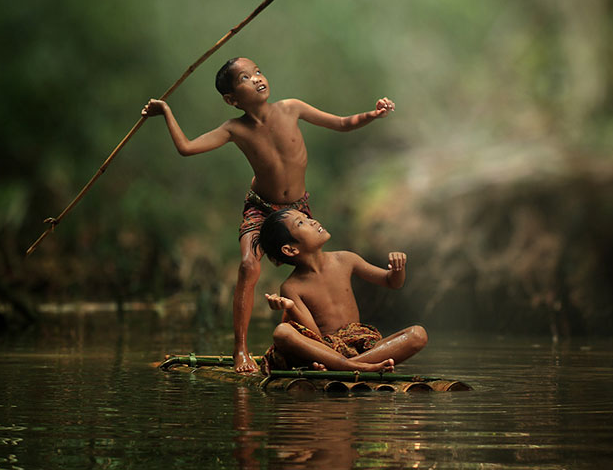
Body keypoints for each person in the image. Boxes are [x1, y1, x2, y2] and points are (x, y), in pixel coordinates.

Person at [142, 57, 396, 372]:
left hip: (297, 210)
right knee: (249, 266)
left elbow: (343, 123)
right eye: (245, 78)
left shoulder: (291, 108)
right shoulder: (234, 128)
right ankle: (241, 351)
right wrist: (165, 111)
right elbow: (187, 148)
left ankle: (326, 346)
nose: (257, 79)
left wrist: (374, 113)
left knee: (316, 269)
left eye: (258, 72)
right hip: (261, 206)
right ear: (231, 99)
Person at [258, 208, 428, 373]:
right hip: (325, 350)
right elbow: (314, 335)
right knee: (282, 332)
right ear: (290, 249)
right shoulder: (291, 287)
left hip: (360, 345)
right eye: (301, 223)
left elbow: (391, 282)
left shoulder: (346, 259)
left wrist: (398, 269)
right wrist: (291, 307)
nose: (313, 221)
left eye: (307, 217)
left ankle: (347, 366)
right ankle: (356, 366)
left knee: (418, 334)